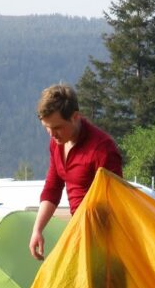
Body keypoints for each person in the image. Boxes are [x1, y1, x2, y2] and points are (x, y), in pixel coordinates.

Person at [29, 83, 123, 259]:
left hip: (105, 241)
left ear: (75, 117)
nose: (52, 134)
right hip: (80, 233)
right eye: (46, 128)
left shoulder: (103, 149)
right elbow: (53, 187)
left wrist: (89, 237)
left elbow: (116, 201)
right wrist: (37, 230)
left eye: (57, 127)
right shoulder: (56, 144)